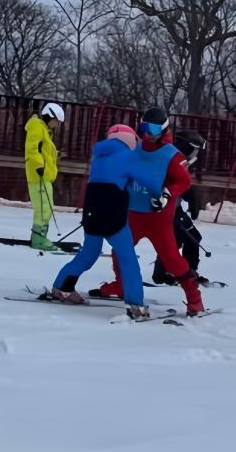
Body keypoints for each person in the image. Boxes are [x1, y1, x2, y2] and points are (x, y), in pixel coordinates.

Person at [92, 107, 205, 316]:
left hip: (158, 218)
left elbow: (183, 181)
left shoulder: (171, 155)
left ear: (163, 130)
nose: (148, 134)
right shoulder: (135, 147)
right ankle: (122, 285)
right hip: (133, 213)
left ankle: (194, 298)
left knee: (171, 259)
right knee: (119, 250)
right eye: (144, 127)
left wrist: (168, 194)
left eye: (153, 129)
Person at [45, 125, 153, 321]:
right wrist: (161, 193)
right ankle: (136, 305)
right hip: (113, 215)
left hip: (92, 212)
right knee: (127, 257)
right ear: (130, 140)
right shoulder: (129, 156)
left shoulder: (99, 157)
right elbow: (149, 180)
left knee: (89, 252)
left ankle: (62, 287)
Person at [151, 129, 207, 286]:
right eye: (194, 150)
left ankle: (184, 271)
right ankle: (165, 273)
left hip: (174, 208)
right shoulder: (172, 160)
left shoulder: (180, 161)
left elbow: (182, 183)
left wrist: (190, 195)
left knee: (188, 238)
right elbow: (170, 182)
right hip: (165, 208)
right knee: (176, 240)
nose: (195, 155)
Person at [25, 103, 63, 251]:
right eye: (57, 121)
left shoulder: (44, 130)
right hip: (38, 175)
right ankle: (38, 239)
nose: (57, 125)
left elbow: (43, 150)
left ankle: (40, 236)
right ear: (49, 116)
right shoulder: (37, 127)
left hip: (44, 175)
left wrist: (55, 155)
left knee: (46, 207)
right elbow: (31, 148)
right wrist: (39, 165)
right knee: (43, 208)